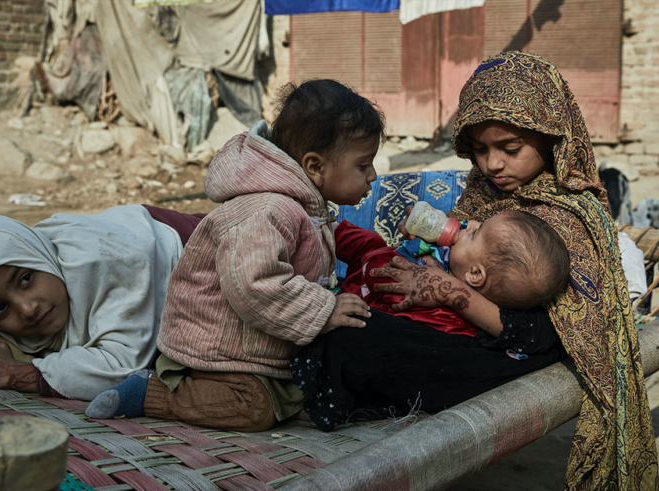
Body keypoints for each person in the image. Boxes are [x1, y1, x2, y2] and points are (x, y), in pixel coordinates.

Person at [292, 51, 658, 488]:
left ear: (552, 138)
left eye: (510, 148)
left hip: (505, 357)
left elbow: (544, 338)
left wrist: (450, 292)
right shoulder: (483, 194)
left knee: (358, 337)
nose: (493, 165)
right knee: (358, 317)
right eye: (480, 149)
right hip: (452, 333)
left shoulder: (573, 217)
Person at [85, 79, 384, 432]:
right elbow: (254, 285)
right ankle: (150, 391)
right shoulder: (266, 208)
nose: (373, 176)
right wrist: (323, 308)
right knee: (251, 410)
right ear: (315, 166)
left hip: (258, 347)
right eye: (363, 166)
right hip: (218, 353)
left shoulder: (302, 206)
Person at [0, 205, 204, 401]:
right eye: (0, 309)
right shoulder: (5, 323)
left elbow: (121, 367)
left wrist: (14, 374)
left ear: (39, 256)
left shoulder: (103, 262)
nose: (28, 309)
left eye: (26, 279)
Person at [336, 208, 570, 336]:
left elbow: (380, 274)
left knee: (371, 245)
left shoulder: (442, 312)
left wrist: (415, 258)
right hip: (368, 266)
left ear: (475, 275)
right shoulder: (458, 261)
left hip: (358, 294)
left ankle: (325, 235)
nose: (472, 223)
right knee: (362, 239)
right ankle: (324, 231)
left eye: (475, 234)